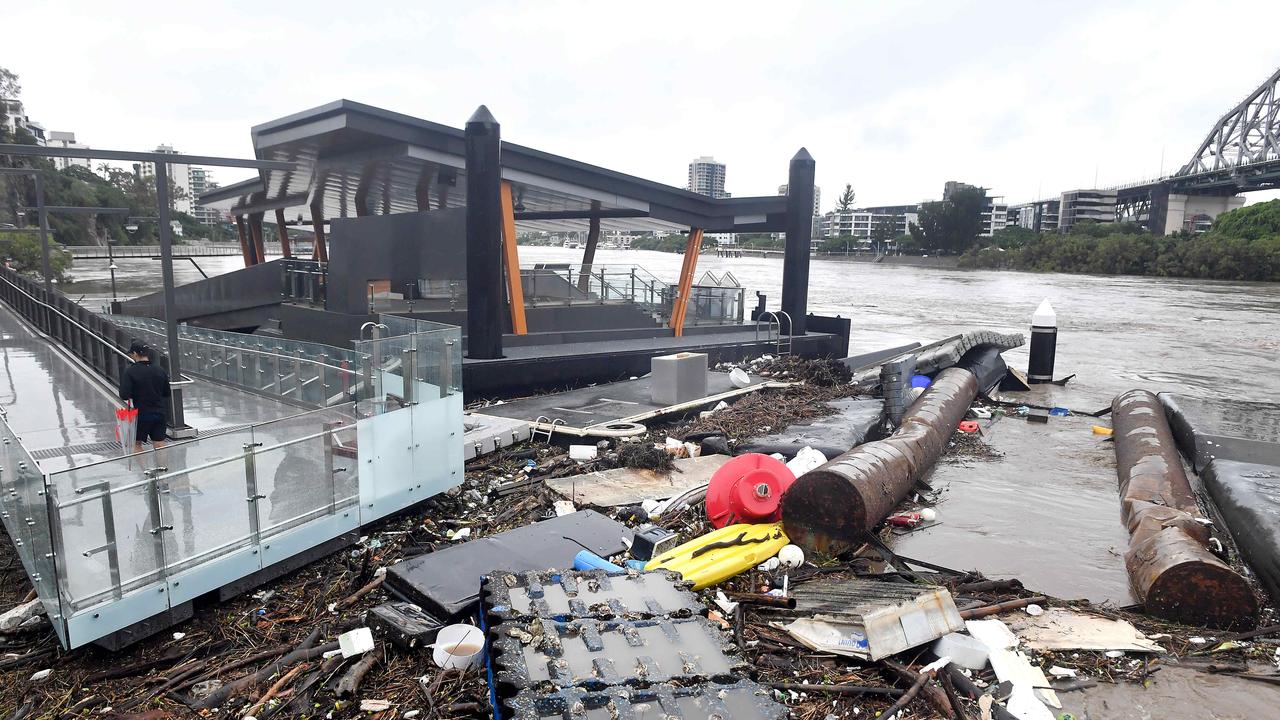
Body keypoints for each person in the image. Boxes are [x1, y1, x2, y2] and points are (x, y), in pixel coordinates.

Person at [119, 339, 171, 453]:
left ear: (136, 354)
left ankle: (145, 469)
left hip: (141, 414)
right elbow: (167, 392)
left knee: (136, 444)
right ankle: (163, 468)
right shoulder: (160, 370)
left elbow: (124, 395)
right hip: (159, 412)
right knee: (159, 442)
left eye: (132, 354)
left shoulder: (130, 371)